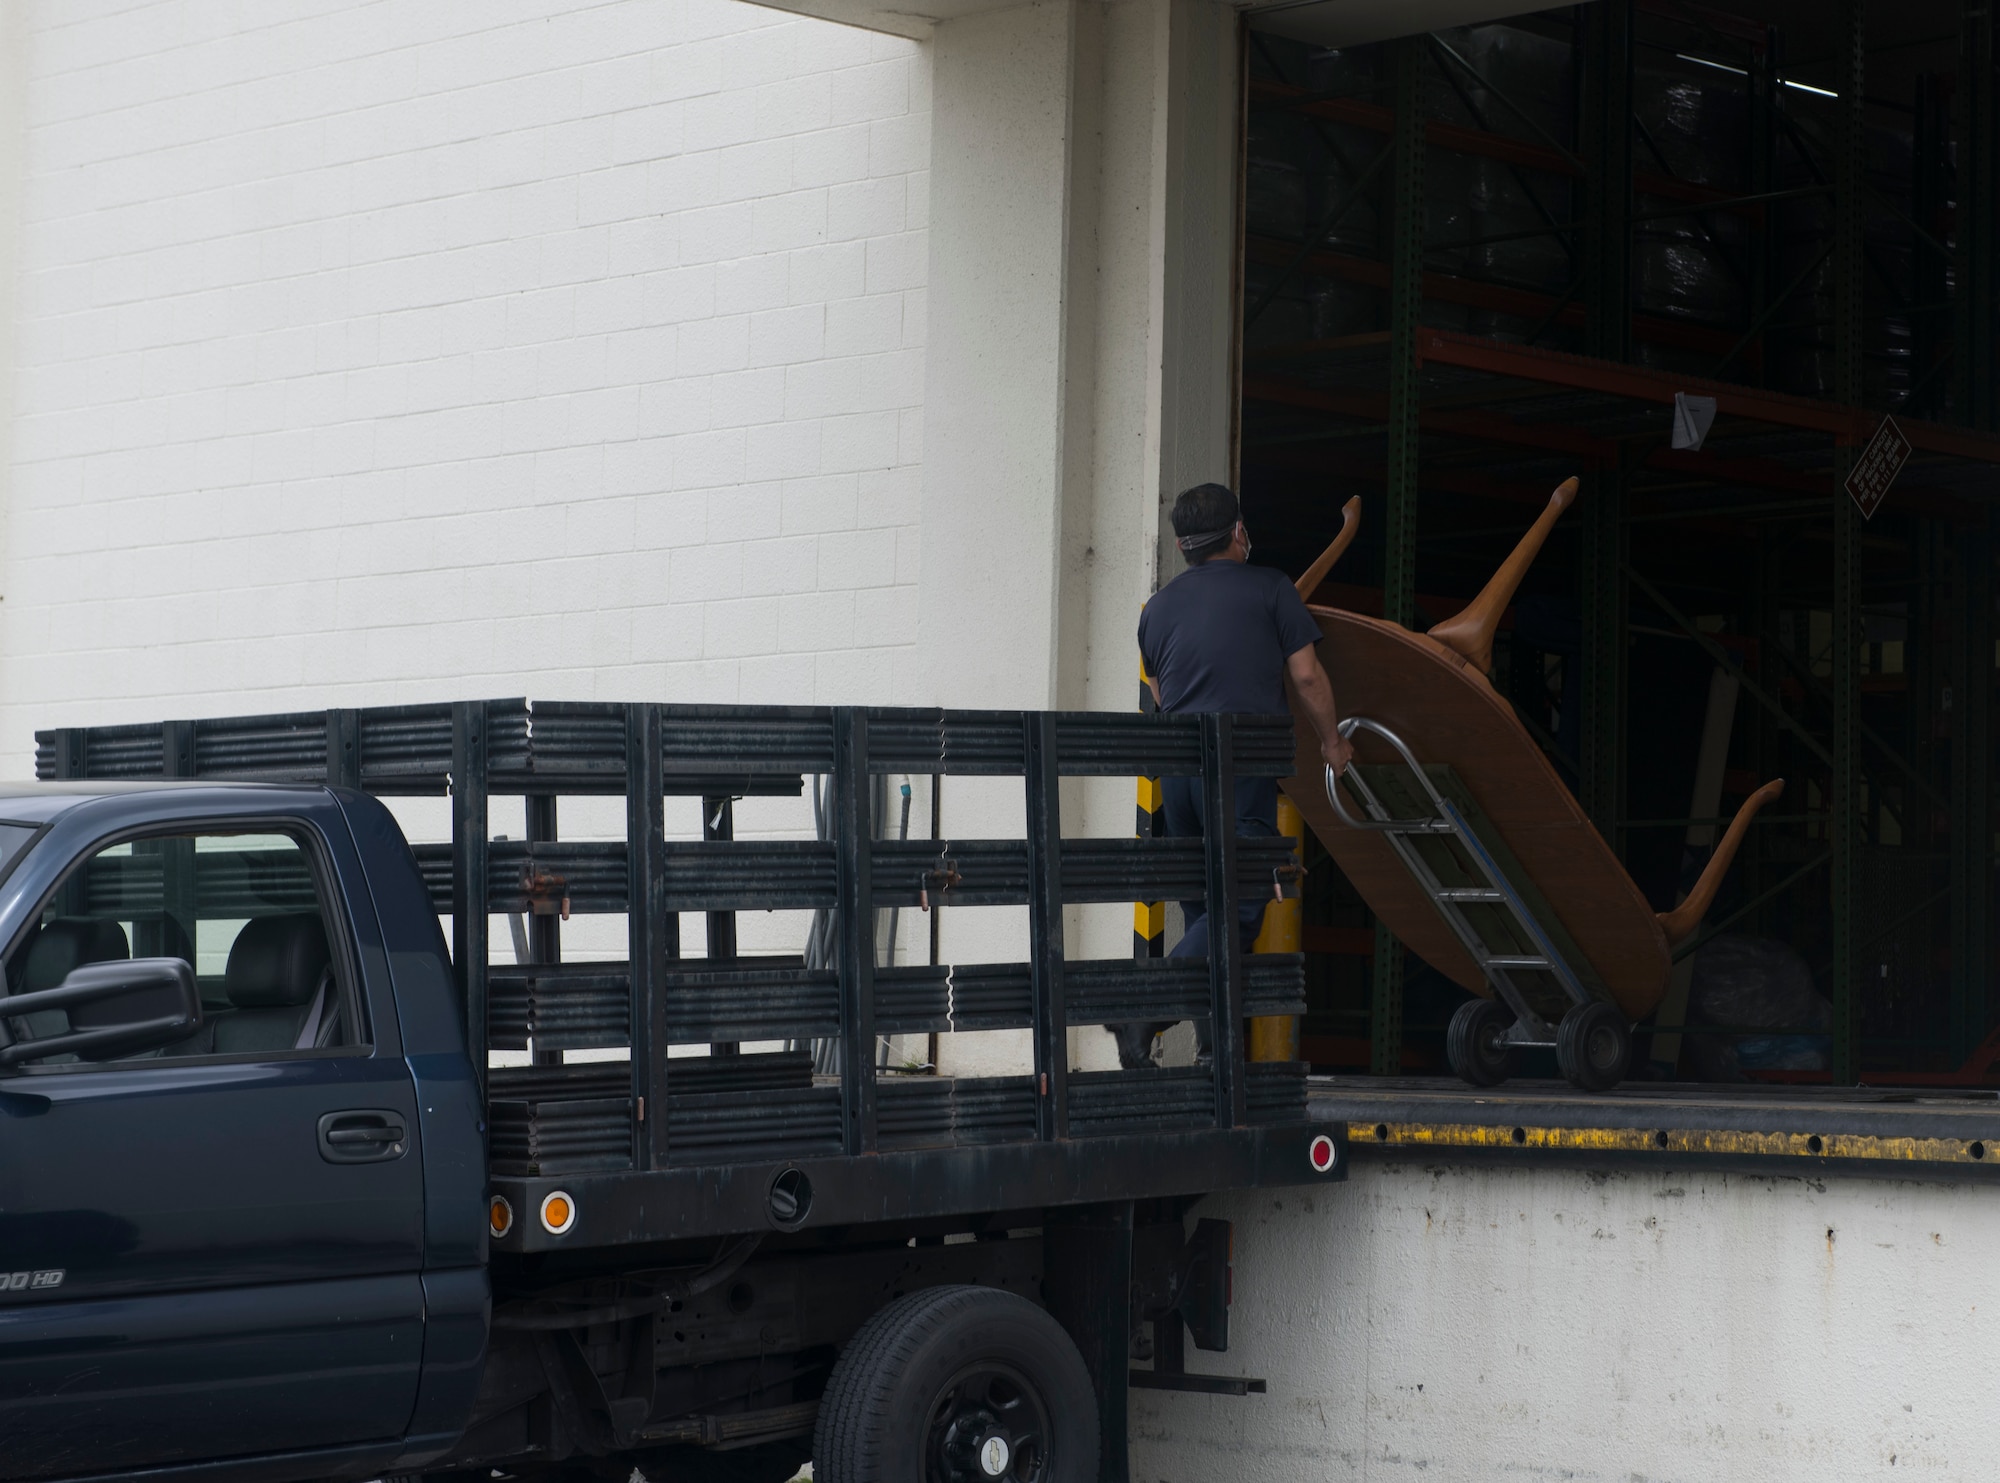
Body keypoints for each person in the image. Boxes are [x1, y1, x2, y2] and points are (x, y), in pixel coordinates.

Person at [1115, 482, 1354, 1069]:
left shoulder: (1158, 609)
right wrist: (1332, 740)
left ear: (1181, 544)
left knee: (1203, 910)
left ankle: (1213, 1052)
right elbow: (1306, 678)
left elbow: (1159, 692)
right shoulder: (1272, 589)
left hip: (1179, 773)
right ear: (1240, 532)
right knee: (1242, 905)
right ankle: (1142, 1008)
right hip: (1238, 765)